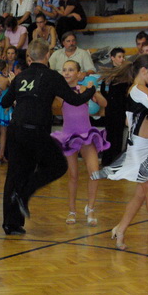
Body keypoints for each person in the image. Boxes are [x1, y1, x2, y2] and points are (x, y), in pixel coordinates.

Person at [0, 39, 96, 235]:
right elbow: (75, 99)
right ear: (47, 55)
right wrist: (92, 89)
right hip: (36, 130)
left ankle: (11, 223)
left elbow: (5, 102)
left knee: (15, 174)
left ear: (30, 56)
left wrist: (18, 91)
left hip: (16, 130)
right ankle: (25, 193)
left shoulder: (21, 76)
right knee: (58, 165)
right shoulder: (52, 76)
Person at [92, 54, 148, 260]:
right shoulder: (137, 90)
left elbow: (136, 118)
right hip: (140, 150)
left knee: (141, 194)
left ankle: (120, 229)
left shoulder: (146, 90)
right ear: (143, 71)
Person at [51, 60, 109, 226]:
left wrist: (93, 90)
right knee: (73, 175)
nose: (67, 73)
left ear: (78, 73)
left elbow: (104, 104)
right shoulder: (60, 93)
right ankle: (72, 210)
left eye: (71, 70)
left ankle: (90, 209)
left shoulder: (84, 90)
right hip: (69, 136)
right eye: (64, 70)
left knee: (94, 172)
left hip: (86, 135)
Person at [100, 47, 128, 165]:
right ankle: (106, 160)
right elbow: (103, 90)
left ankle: (116, 162)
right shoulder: (108, 73)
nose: (122, 59)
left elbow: (126, 93)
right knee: (109, 134)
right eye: (119, 57)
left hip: (121, 108)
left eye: (123, 57)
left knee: (118, 136)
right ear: (112, 58)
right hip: (110, 108)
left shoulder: (126, 74)